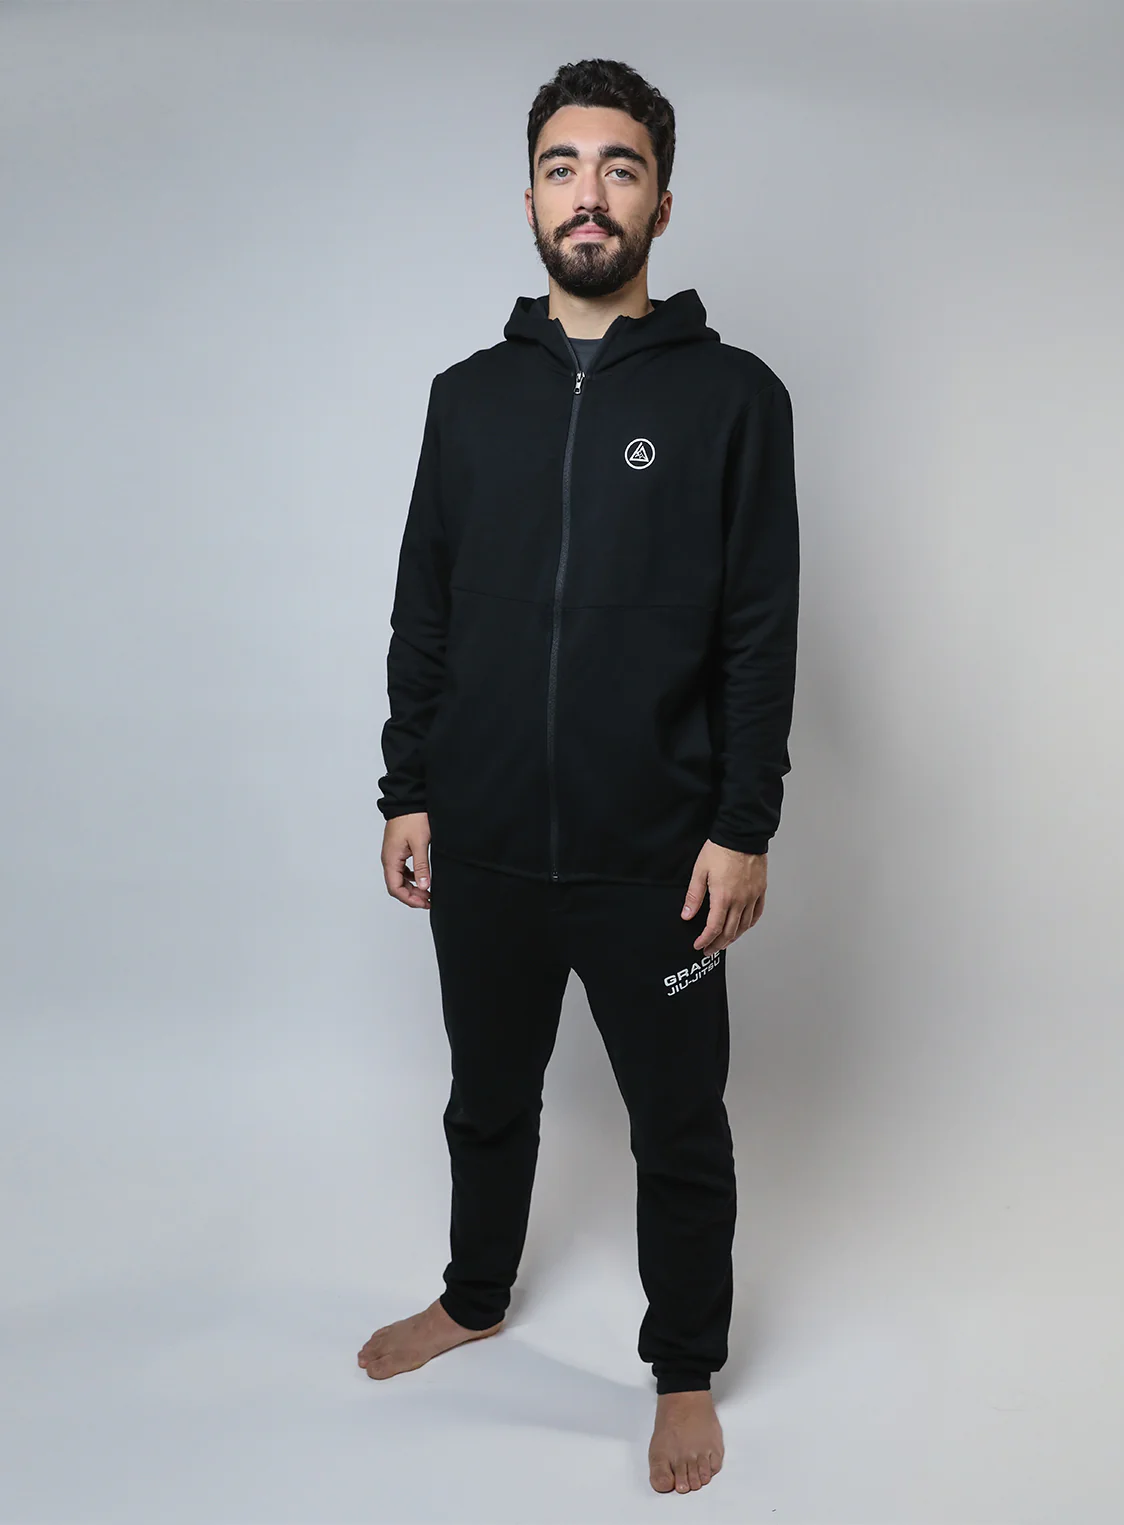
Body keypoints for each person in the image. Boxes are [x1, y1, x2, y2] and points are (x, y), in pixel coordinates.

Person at [357, 56, 800, 1496]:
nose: (588, 193)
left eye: (619, 167)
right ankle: (475, 1298)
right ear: (530, 197)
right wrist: (407, 788)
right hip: (483, 837)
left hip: (653, 855)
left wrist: (741, 825)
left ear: (662, 200)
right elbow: (424, 607)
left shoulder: (735, 398)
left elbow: (761, 629)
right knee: (487, 1098)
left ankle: (684, 1368)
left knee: (679, 1127)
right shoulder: (467, 398)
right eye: (562, 166)